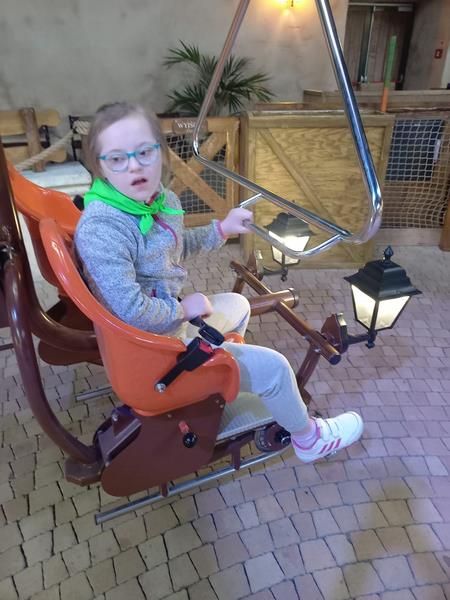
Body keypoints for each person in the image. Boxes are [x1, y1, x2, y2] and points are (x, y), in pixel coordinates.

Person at [75, 102, 363, 463]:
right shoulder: (103, 228)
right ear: (99, 167)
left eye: (144, 152)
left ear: (161, 152)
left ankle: (216, 383)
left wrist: (222, 229)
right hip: (149, 355)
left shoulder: (155, 201)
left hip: (163, 330)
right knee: (276, 369)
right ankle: (308, 439)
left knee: (237, 304)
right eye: (117, 159)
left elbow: (173, 247)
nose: (134, 166)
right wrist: (182, 310)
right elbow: (132, 311)